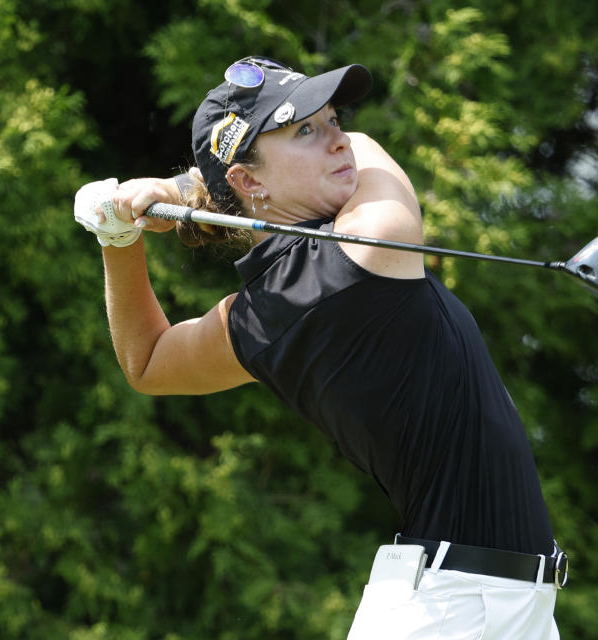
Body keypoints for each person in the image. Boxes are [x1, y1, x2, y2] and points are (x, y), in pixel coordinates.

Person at [74, 56, 567, 639]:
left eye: (332, 118)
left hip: (481, 603)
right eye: (304, 129)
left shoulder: (259, 315)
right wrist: (185, 191)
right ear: (249, 182)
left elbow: (147, 362)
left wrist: (121, 235)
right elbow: (368, 146)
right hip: (456, 610)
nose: (338, 140)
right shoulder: (370, 242)